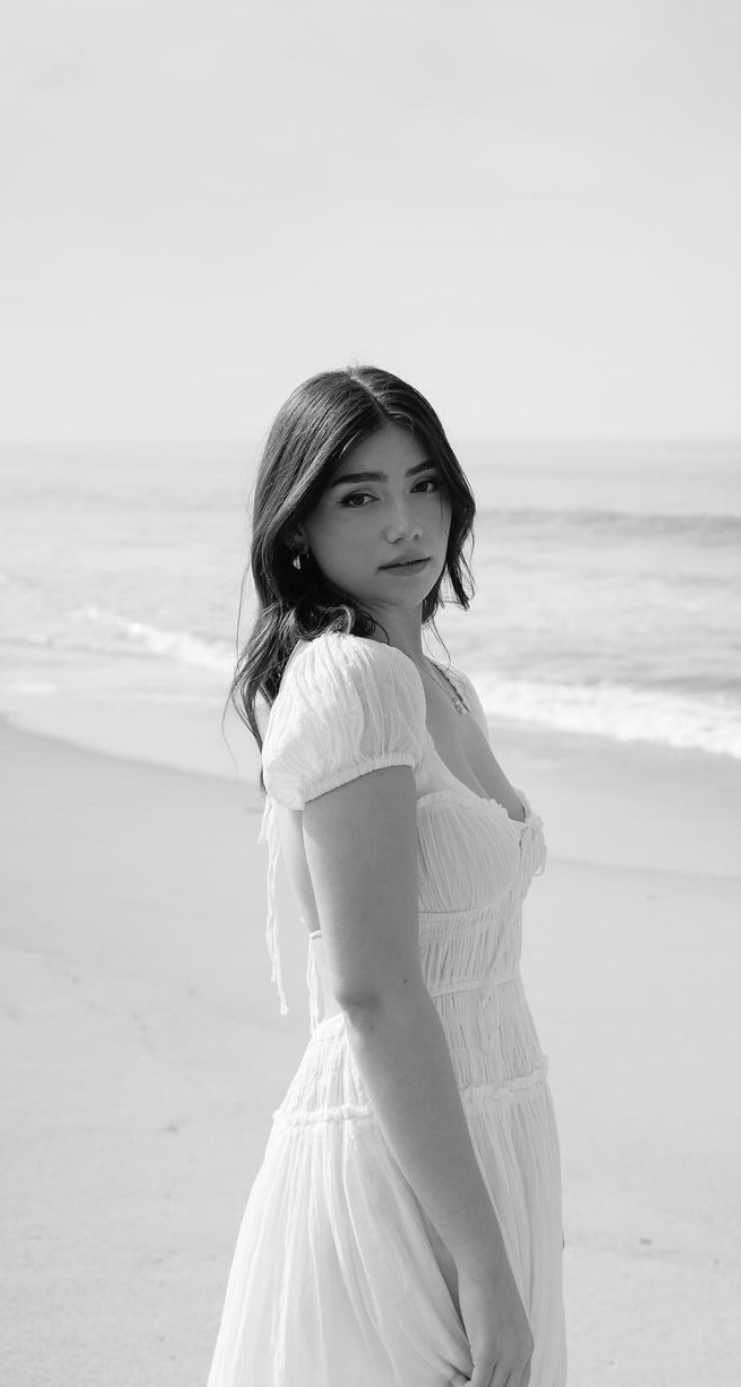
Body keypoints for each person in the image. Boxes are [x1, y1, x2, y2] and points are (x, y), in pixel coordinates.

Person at [208, 366, 566, 1386]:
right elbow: (372, 991)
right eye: (359, 496)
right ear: (297, 528)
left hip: (486, 1119)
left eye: (425, 485)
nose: (406, 523)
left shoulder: (438, 682)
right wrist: (482, 1262)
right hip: (407, 1155)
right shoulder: (354, 681)